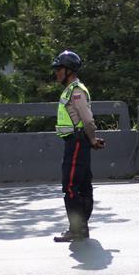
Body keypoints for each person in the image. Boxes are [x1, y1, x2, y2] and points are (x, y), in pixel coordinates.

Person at [51, 49, 105, 243]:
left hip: (76, 142)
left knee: (71, 185)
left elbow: (87, 119)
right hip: (76, 142)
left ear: (69, 71)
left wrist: (91, 139)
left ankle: (77, 229)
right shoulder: (71, 90)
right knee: (81, 185)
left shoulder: (76, 91)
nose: (56, 73)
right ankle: (81, 228)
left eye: (59, 69)